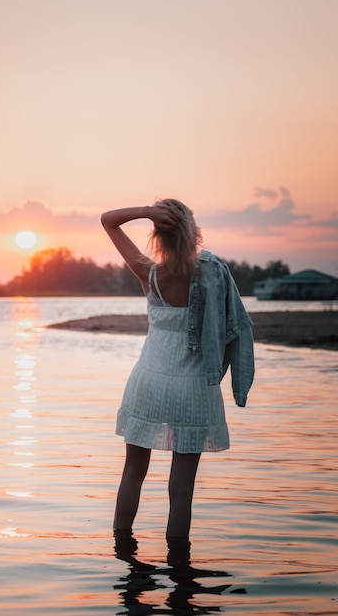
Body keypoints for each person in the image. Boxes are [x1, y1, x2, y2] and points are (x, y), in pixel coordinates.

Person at [101, 199, 254, 557]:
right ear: (192, 230)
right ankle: (180, 571)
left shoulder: (148, 272)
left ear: (158, 234)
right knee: (181, 488)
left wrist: (145, 211)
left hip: (149, 383)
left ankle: (123, 553)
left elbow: (108, 221)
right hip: (194, 389)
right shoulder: (213, 274)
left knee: (132, 473)